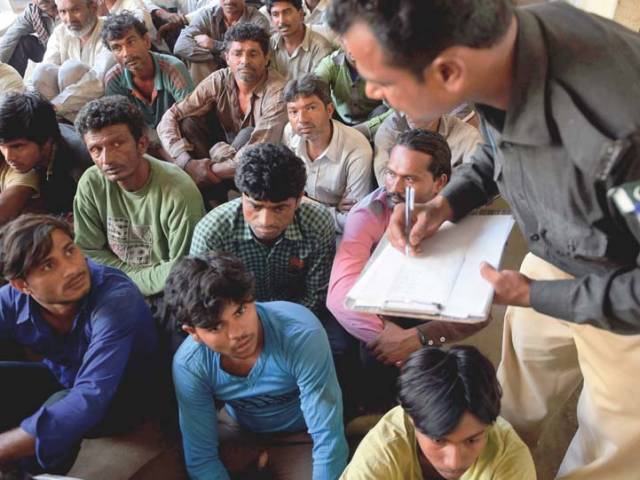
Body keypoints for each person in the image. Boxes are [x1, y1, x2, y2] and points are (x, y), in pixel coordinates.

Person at [328, 1, 640, 478]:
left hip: (622, 290)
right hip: (557, 250)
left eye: (384, 81)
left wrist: (539, 294)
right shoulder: (498, 50)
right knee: (518, 382)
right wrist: (445, 204)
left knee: (614, 441)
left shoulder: (618, 132)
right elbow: (493, 154)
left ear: (448, 73)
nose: (370, 93)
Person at [327, 129, 485, 410]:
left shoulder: (468, 221)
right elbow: (339, 295)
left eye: (409, 179)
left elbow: (477, 314)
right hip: (384, 309)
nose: (394, 188)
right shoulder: (370, 212)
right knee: (364, 354)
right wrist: (391, 340)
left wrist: (418, 338)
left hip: (431, 308)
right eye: (391, 174)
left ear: (440, 182)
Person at [0, 214, 158, 475]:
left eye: (70, 251)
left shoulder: (117, 299)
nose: (72, 268)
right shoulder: (11, 299)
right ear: (22, 285)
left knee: (63, 403)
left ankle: (26, 472)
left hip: (118, 402)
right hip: (64, 379)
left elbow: (90, 398)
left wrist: (5, 447)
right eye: (48, 266)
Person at [167, 252, 348, 479]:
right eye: (215, 327)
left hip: (303, 435)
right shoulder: (190, 364)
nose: (237, 333)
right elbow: (201, 456)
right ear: (193, 332)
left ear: (252, 299)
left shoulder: (300, 333)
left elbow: (327, 437)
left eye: (240, 311)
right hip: (238, 432)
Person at [73, 95, 204, 297]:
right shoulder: (91, 183)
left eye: (117, 144)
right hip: (113, 286)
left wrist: (123, 279)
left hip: (169, 291)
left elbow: (182, 267)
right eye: (96, 149)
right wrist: (128, 280)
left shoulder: (179, 192)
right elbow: (88, 251)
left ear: (142, 144)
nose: (107, 159)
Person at [341, 346, 536, 479]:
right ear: (411, 421)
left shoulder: (511, 459)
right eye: (438, 440)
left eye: (472, 440)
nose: (454, 462)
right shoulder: (381, 451)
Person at [190, 142, 334, 318]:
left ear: (298, 200)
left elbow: (316, 296)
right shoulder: (212, 233)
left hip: (299, 317)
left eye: (279, 208)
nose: (266, 222)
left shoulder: (317, 224)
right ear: (242, 196)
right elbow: (207, 301)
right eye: (256, 207)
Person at [158, 22, 287, 205]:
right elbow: (170, 116)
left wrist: (207, 170)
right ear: (227, 58)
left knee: (247, 134)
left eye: (253, 53)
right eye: (237, 53)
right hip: (221, 154)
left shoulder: (277, 91)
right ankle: (212, 197)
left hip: (262, 164)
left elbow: (258, 148)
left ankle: (210, 193)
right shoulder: (219, 78)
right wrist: (186, 162)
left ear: (266, 58)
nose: (244, 61)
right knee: (188, 122)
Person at [282, 74, 372, 232]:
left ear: (329, 110)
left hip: (334, 232)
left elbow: (352, 221)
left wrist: (299, 202)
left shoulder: (357, 149)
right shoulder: (290, 133)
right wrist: (331, 208)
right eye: (294, 112)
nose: (302, 119)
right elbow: (284, 193)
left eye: (310, 108)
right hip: (296, 222)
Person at [102, 11, 194, 159]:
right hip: (145, 145)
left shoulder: (172, 68)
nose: (126, 53)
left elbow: (191, 114)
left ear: (146, 41)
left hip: (179, 136)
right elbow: (122, 126)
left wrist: (178, 157)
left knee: (190, 123)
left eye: (131, 42)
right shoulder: (114, 79)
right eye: (117, 48)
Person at [0, 92, 92, 217]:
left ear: (46, 141)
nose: (9, 157)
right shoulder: (32, 134)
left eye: (17, 146)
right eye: (2, 147)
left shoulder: (81, 167)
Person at [28, 0, 114, 122]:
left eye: (75, 10)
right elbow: (47, 67)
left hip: (102, 107)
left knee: (71, 69)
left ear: (93, 7)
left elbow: (98, 81)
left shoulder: (110, 30)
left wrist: (55, 107)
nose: (69, 19)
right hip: (60, 110)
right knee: (42, 70)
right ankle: (63, 124)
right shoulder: (60, 32)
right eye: (63, 12)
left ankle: (77, 125)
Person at [373, 110, 481, 186]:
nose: (409, 110)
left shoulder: (467, 136)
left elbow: (478, 180)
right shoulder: (389, 130)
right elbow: (385, 184)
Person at [173, 0, 269, 84]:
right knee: (197, 63)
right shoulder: (207, 15)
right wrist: (216, 57)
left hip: (244, 72)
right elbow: (180, 46)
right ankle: (206, 102)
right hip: (208, 72)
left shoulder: (258, 20)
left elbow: (253, 56)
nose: (229, 1)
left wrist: (214, 45)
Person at [314, 45, 391, 140]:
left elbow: (397, 110)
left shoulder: (384, 64)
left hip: (373, 118)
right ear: (342, 41)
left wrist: (367, 128)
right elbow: (315, 87)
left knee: (384, 111)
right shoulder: (331, 63)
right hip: (340, 120)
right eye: (348, 39)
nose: (353, 45)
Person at [266, 0, 333, 80]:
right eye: (275, 15)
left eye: (287, 12)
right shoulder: (270, 44)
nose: (281, 21)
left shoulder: (320, 48)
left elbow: (317, 89)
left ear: (301, 14)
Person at [0, 0, 58, 77]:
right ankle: (13, 84)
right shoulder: (33, 11)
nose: (41, 0)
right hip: (48, 50)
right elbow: (10, 38)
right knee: (22, 42)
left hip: (71, 52)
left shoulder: (70, 8)